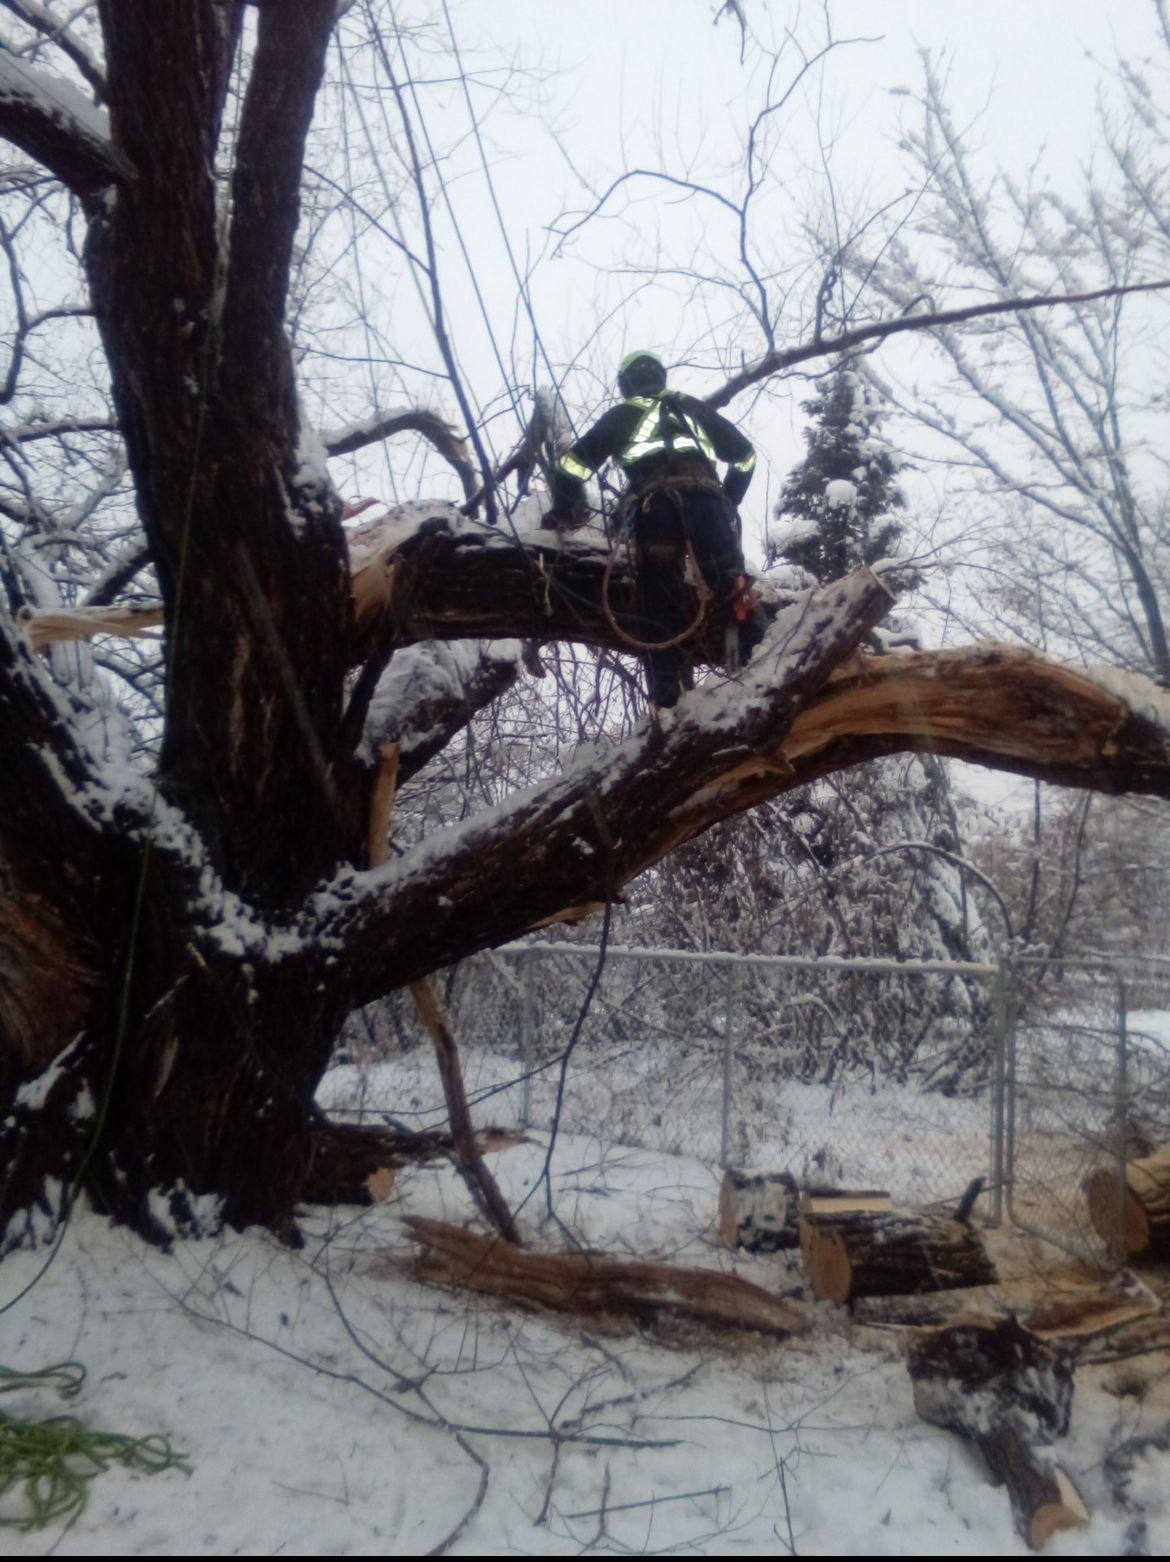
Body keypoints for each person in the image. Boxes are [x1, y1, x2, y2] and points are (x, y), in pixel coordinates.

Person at [544, 351, 763, 708]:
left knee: (659, 606)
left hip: (655, 509)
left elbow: (571, 466)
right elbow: (745, 456)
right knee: (733, 589)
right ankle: (769, 674)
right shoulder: (692, 408)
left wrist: (562, 510)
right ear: (660, 377)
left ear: (625, 384)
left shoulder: (623, 415)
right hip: (707, 505)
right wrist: (729, 500)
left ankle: (669, 704)